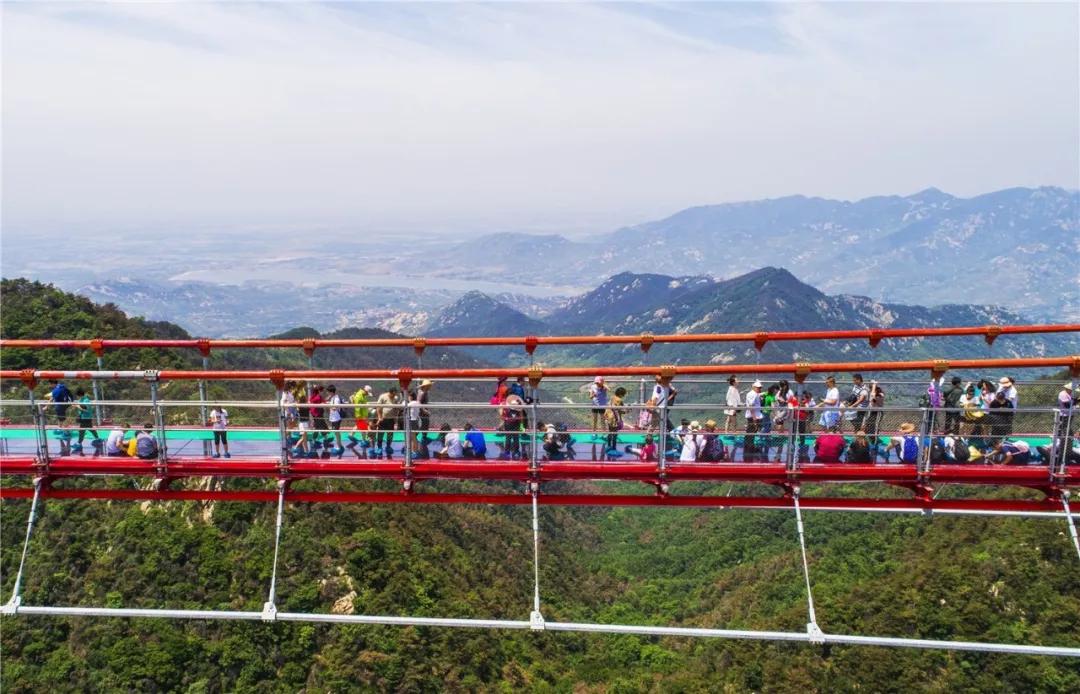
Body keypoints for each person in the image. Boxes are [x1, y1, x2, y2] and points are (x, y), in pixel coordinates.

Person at [374, 387, 401, 459]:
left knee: (390, 434)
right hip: (383, 419)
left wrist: (396, 420)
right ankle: (379, 448)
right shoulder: (383, 396)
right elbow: (378, 407)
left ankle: (388, 446)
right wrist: (380, 417)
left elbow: (396, 409)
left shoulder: (395, 398)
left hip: (391, 419)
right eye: (394, 394)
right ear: (391, 392)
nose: (395, 395)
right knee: (380, 434)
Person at [73, 388, 100, 455]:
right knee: (90, 429)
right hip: (83, 418)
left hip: (86, 418)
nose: (77, 397)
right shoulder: (81, 399)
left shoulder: (86, 401)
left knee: (82, 431)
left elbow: (87, 410)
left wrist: (77, 407)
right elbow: (79, 404)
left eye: (77, 395)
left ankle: (79, 443)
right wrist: (75, 405)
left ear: (80, 395)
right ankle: (97, 438)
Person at [501, 392, 525, 459]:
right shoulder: (509, 408)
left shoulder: (506, 407)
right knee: (514, 438)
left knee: (511, 438)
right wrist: (521, 425)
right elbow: (521, 417)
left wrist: (521, 425)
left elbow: (502, 416)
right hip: (512, 424)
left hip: (510, 424)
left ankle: (509, 452)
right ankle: (514, 452)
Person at [743, 380, 764, 460]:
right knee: (751, 432)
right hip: (753, 417)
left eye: (760, 387)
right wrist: (754, 419)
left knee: (751, 433)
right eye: (758, 388)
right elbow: (751, 407)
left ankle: (750, 447)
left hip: (755, 416)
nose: (760, 389)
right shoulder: (753, 395)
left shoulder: (755, 394)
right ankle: (749, 448)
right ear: (754, 387)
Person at [604, 386, 627, 451]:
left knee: (610, 432)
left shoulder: (612, 398)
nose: (623, 396)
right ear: (621, 394)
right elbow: (620, 410)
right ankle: (614, 448)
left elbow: (609, 406)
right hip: (614, 418)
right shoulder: (620, 400)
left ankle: (608, 446)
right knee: (614, 433)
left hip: (608, 416)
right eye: (623, 394)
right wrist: (627, 411)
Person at [417, 379, 434, 450]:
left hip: (423, 413)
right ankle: (420, 440)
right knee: (423, 425)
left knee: (425, 425)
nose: (430, 387)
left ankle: (423, 438)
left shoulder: (425, 392)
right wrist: (424, 411)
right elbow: (419, 403)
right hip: (422, 413)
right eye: (429, 386)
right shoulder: (422, 393)